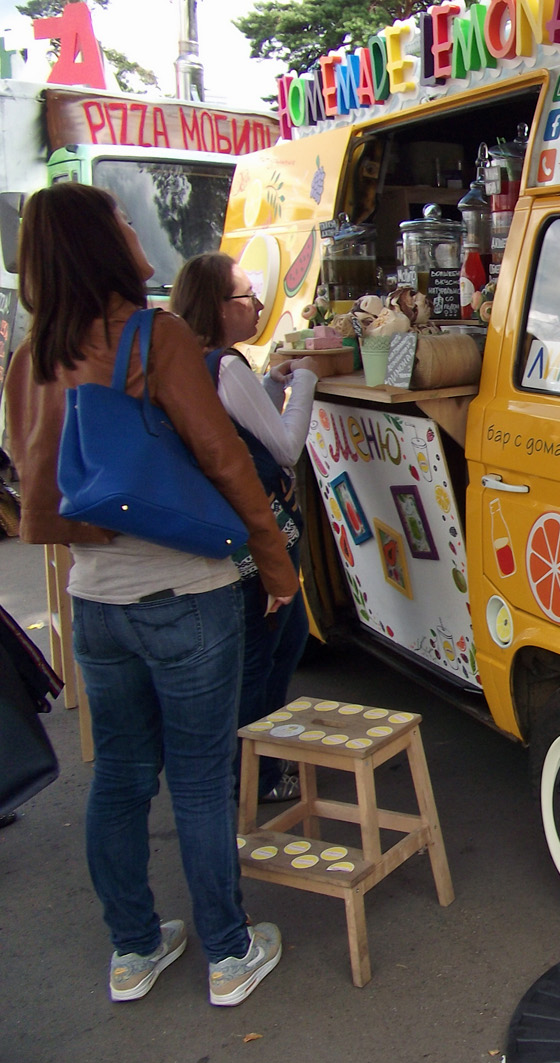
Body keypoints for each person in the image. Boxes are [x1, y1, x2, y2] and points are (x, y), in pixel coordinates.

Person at [0, 183, 293, 1007]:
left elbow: (35, 474)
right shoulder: (152, 333)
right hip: (187, 589)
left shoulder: (32, 352)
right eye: (123, 219)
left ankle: (133, 948)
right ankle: (229, 954)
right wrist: (274, 562)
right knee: (199, 779)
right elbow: (224, 458)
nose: (135, 228)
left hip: (94, 599)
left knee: (121, 776)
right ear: (102, 241)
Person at [171, 252, 321, 804]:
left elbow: (239, 421)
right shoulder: (224, 364)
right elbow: (283, 447)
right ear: (217, 306)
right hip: (259, 530)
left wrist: (271, 382)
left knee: (286, 637)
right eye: (246, 297)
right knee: (265, 647)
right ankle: (250, 773)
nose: (258, 305)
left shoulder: (204, 361)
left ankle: (261, 760)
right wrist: (306, 379)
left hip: (239, 528)